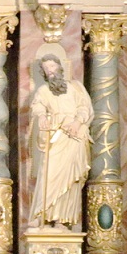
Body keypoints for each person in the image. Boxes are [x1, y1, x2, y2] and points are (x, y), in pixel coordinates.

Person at [28, 48, 93, 229]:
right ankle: (43, 214)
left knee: (69, 178)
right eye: (45, 68)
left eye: (52, 65)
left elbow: (84, 108)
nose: (49, 70)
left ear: (59, 67)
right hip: (55, 136)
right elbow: (38, 107)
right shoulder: (43, 91)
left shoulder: (75, 88)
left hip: (74, 135)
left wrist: (77, 122)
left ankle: (62, 219)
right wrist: (42, 117)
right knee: (48, 174)